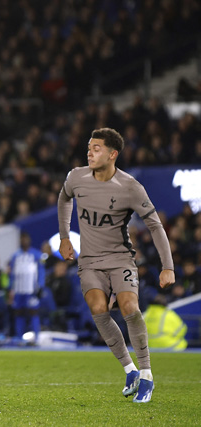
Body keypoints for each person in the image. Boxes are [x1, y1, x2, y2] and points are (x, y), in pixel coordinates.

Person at [58, 127, 175, 404]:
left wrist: (167, 265)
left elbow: (155, 225)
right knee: (98, 308)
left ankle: (146, 374)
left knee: (129, 308)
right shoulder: (76, 177)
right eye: (89, 147)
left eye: (96, 148)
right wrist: (64, 236)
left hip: (120, 258)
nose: (90, 152)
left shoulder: (130, 187)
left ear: (113, 154)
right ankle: (129, 369)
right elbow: (64, 198)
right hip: (89, 261)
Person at [8, 232, 45, 341]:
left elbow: (41, 271)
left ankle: (36, 338)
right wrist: (11, 288)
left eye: (26, 239)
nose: (24, 241)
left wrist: (40, 286)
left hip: (31, 289)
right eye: (22, 239)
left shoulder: (36, 254)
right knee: (19, 312)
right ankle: (20, 338)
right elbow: (12, 274)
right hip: (19, 289)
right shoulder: (15, 256)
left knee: (33, 312)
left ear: (29, 240)